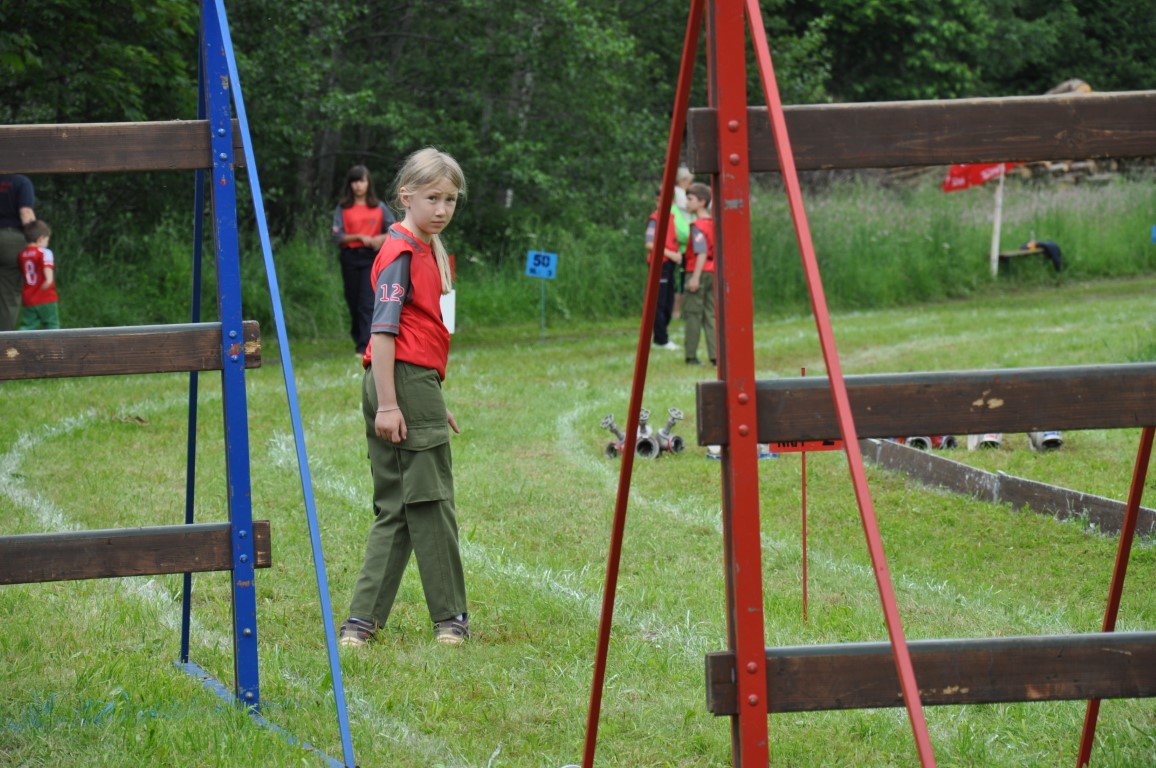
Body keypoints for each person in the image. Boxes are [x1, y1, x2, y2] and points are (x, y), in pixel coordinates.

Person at [339, 147, 470, 648]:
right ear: (405, 196)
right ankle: (450, 619)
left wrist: (430, 398)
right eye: (432, 198)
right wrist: (393, 404)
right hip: (397, 383)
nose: (442, 209)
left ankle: (360, 623)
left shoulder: (424, 248)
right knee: (431, 501)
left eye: (450, 200)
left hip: (410, 385)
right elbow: (383, 333)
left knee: (396, 505)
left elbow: (418, 335)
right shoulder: (401, 253)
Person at [332, 165, 396, 355]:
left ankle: (365, 346)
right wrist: (359, 237)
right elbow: (337, 236)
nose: (358, 185)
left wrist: (379, 239)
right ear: (350, 184)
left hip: (372, 258)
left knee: (367, 302)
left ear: (368, 183)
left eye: (362, 181)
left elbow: (394, 230)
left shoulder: (379, 207)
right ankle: (358, 336)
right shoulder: (343, 208)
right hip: (350, 257)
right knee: (353, 301)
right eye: (354, 181)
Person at [682, 182, 717, 366]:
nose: (687, 203)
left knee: (693, 314)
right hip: (713, 271)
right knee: (711, 314)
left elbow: (701, 251)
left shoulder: (698, 226)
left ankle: (691, 356)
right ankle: (715, 355)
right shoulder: (714, 223)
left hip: (697, 270)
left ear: (702, 202)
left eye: (690, 199)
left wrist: (695, 277)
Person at [644, 189, 683, 351]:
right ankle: (661, 339)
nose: (661, 203)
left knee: (668, 303)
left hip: (670, 264)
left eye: (666, 200)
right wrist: (671, 255)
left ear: (672, 202)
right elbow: (649, 244)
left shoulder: (671, 218)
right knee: (659, 303)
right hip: (660, 265)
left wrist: (678, 254)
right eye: (659, 200)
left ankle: (659, 336)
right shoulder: (655, 219)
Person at [0, 174, 38, 332]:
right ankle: (3, 341)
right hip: (12, 240)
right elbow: (26, 212)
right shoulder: (21, 181)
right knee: (7, 296)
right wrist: (35, 242)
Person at [17, 220, 59, 330]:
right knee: (52, 325)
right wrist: (48, 281)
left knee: (28, 326)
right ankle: (53, 342)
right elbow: (48, 277)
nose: (47, 243)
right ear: (40, 239)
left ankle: (19, 340)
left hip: (28, 297)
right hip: (46, 297)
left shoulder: (22, 255)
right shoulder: (45, 252)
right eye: (47, 240)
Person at [670, 166, 693, 321]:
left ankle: (681, 310)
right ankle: (676, 311)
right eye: (690, 181)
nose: (691, 184)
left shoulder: (682, 193)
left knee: (683, 278)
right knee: (681, 279)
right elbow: (688, 206)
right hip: (682, 244)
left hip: (686, 244)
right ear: (682, 180)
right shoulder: (678, 193)